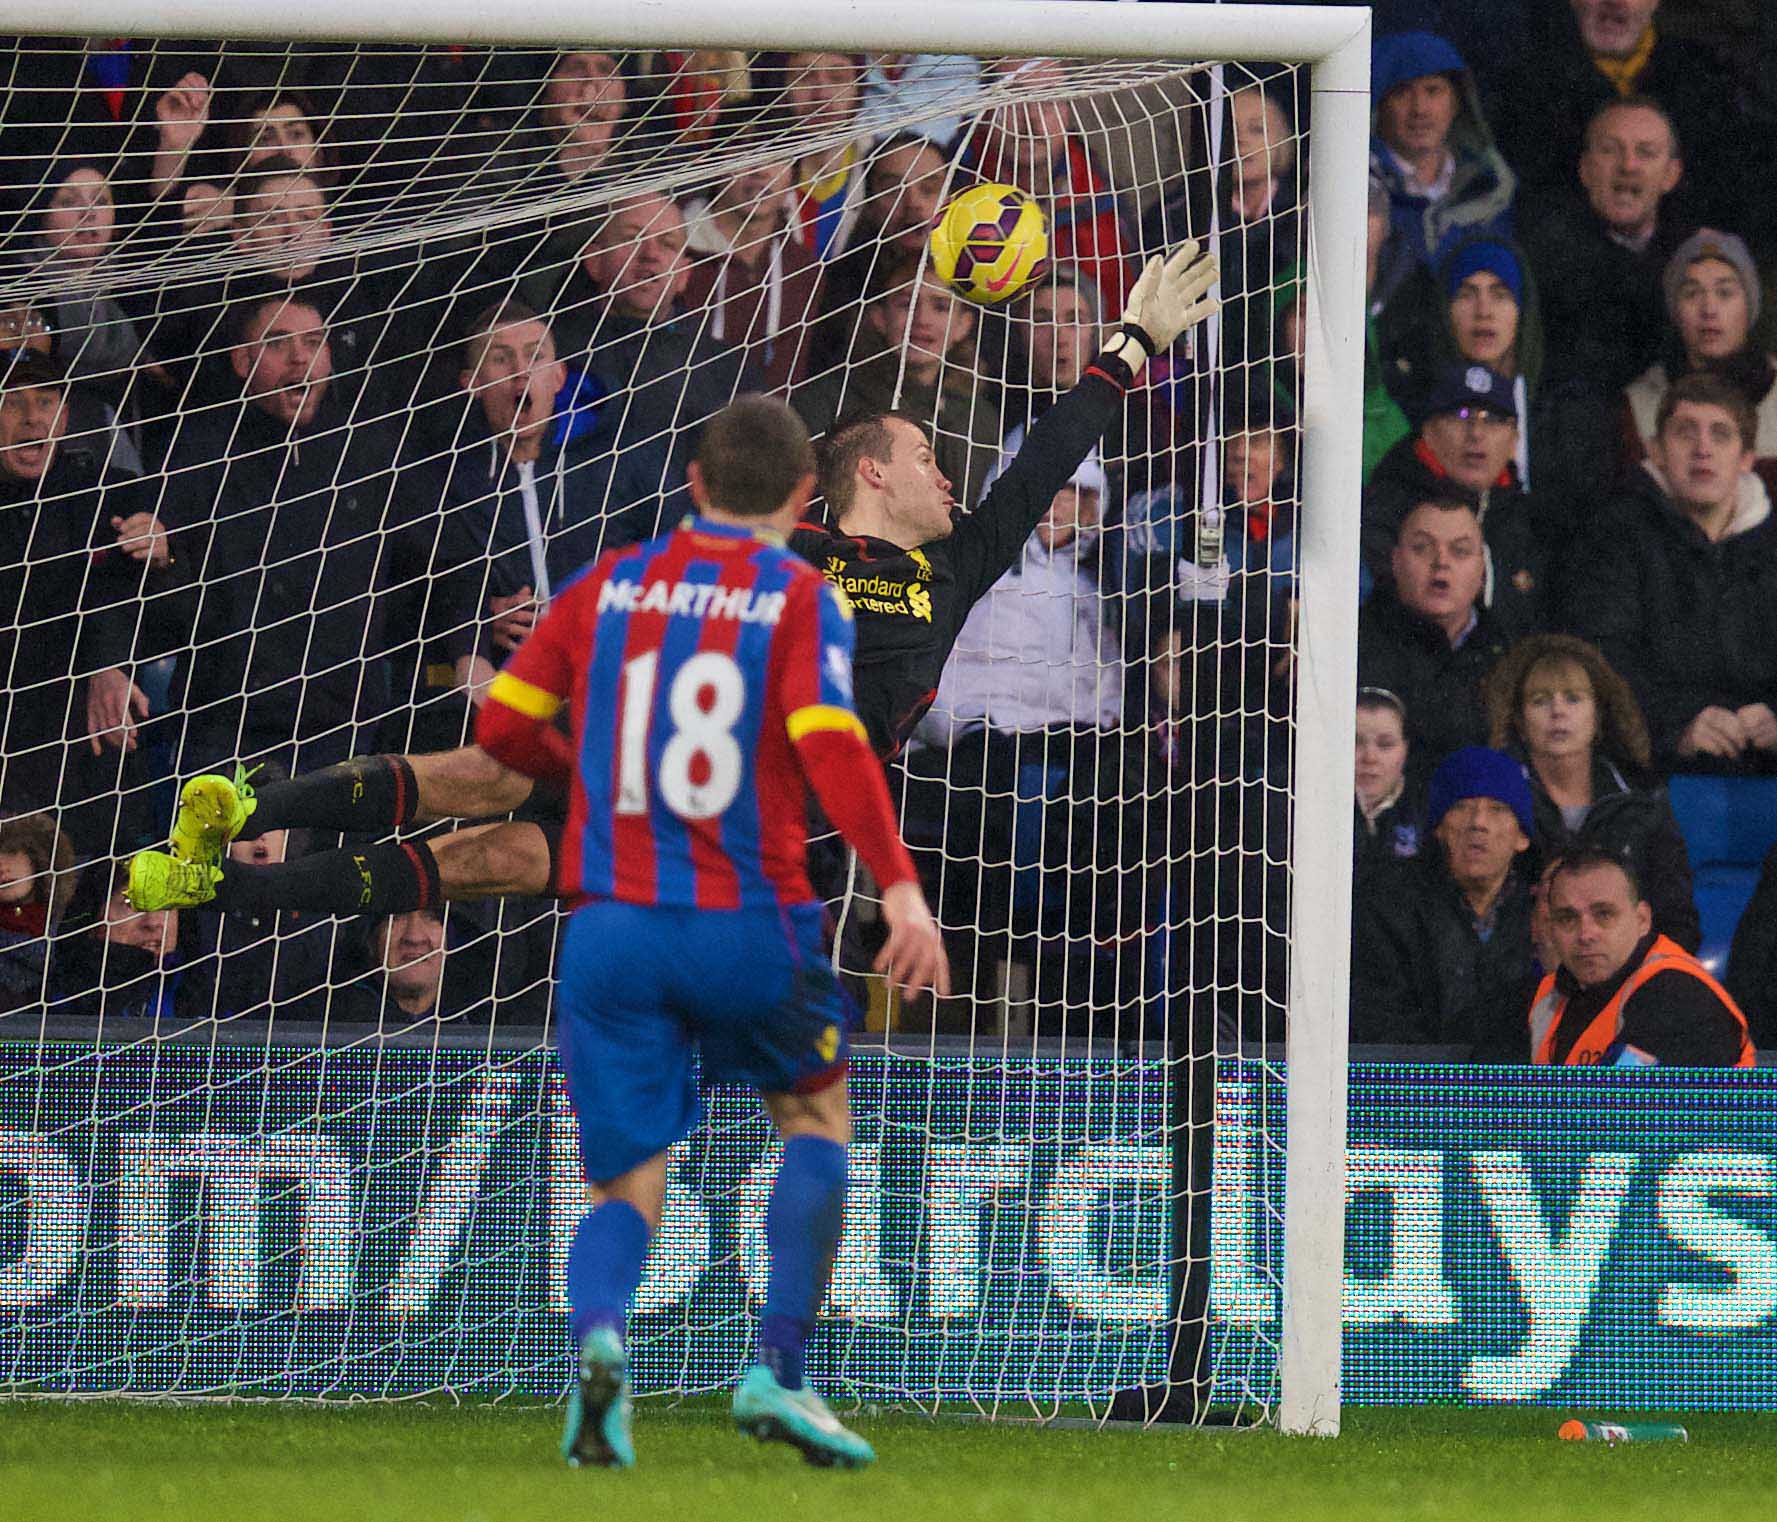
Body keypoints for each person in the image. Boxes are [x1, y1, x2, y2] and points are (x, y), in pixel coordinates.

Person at [123, 243, 1220, 920]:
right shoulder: (781, 544)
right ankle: (240, 804)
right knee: (477, 781)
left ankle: (217, 883)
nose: (949, 472)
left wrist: (1128, 343)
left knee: (483, 861)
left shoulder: (954, 565)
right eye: (927, 454)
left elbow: (1038, 465)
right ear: (872, 472)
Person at [472, 394, 945, 1469]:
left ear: (691, 483)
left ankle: (601, 1353)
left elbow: (500, 725)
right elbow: (832, 746)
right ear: (797, 495)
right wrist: (901, 889)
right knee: (814, 1120)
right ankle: (778, 1369)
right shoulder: (796, 594)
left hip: (612, 929)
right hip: (747, 918)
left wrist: (588, 775)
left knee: (623, 1179)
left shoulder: (607, 583)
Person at [1568, 372, 1777, 772]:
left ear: (1747, 458)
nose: (1703, 449)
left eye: (1720, 434)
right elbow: (1603, 657)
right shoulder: (1614, 536)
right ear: (1656, 450)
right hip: (1654, 777)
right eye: (1685, 433)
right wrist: (1678, 725)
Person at [1485, 633, 1698, 949]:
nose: (1558, 712)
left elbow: (1677, 922)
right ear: (1519, 720)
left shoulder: (1642, 803)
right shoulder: (1492, 802)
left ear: (1597, 717)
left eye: (1573, 698)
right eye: (1540, 700)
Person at [1350, 745, 1539, 1060]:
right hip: (1414, 1090)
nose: (1478, 822)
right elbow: (1378, 1019)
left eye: (1497, 809)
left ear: (1522, 836)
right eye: (1462, 807)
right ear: (1438, 828)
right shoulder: (1388, 907)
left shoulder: (1545, 915)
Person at [792, 255, 1004, 511]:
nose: (922, 319)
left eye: (940, 306)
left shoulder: (980, 419)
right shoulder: (825, 401)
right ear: (880, 317)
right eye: (907, 304)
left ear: (963, 325)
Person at [1521, 97, 1693, 395]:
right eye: (1610, 150)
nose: (1628, 165)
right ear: (1585, 170)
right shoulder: (1539, 261)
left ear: (1671, 174)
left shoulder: (1694, 262)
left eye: (1646, 152)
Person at [1362, 365, 1547, 639]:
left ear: (1514, 440)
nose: (1476, 433)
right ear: (1429, 432)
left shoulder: (1530, 520)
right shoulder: (1387, 511)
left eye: (1493, 419)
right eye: (1460, 415)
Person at [1530, 846, 1753, 1066]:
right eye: (1567, 918)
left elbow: (1622, 1101)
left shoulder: (1678, 995)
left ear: (1642, 920)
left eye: (1604, 914)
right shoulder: (1548, 993)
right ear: (1550, 928)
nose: (1585, 934)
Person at [1357, 494, 1511, 770]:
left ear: (1482, 571)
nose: (1441, 562)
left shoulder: (1510, 655)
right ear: (1395, 561)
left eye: (1460, 550)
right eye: (1422, 548)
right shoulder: (1353, 644)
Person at [1620, 230, 1777, 494]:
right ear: (1675, 310)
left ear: (1749, 306)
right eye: (1692, 294)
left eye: (1725, 293)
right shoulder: (1637, 407)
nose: (1709, 309)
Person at [1368, 32, 1515, 310]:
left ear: (1458, 101)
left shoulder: (1493, 188)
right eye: (1401, 92)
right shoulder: (1356, 188)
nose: (1420, 109)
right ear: (1379, 105)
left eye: (1433, 90)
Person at [682, 156, 824, 392]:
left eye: (777, 156)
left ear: (793, 177)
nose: (760, 171)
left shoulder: (805, 270)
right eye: (745, 152)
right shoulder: (675, 256)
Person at [1354, 687, 1424, 874]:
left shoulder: (1425, 812)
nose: (1370, 757)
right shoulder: (1305, 805)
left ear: (1405, 749)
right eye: (1355, 742)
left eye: (1385, 745)